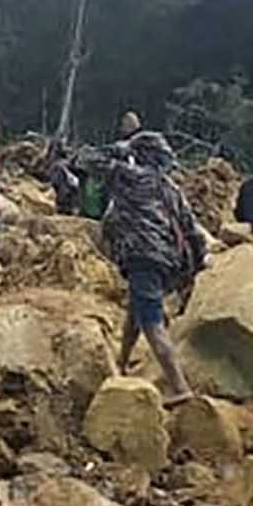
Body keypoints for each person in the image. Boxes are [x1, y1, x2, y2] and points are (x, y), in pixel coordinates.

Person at [99, 132, 206, 398]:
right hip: (167, 260)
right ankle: (121, 364)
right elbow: (192, 230)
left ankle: (180, 388)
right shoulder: (170, 187)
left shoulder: (129, 177)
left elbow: (87, 159)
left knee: (152, 324)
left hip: (142, 256)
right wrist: (200, 260)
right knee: (136, 312)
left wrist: (118, 149)